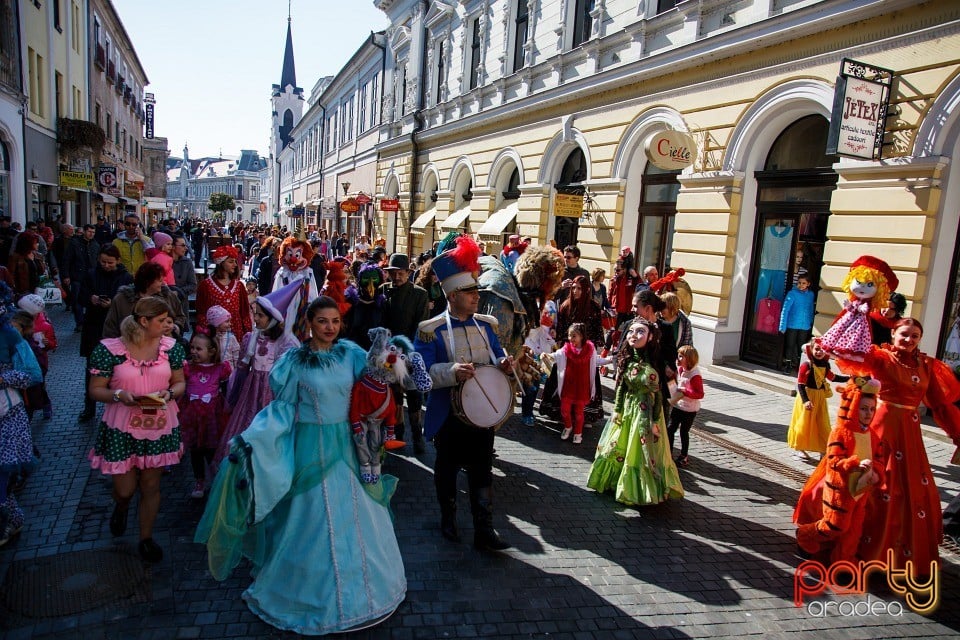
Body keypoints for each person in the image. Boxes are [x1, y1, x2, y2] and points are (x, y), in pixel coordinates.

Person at [195, 296, 406, 633]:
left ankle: (367, 591)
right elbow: (283, 409)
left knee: (360, 514)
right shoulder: (294, 361)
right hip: (311, 448)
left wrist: (391, 366)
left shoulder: (351, 354)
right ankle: (306, 594)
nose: (330, 328)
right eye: (323, 321)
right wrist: (254, 438)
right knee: (308, 518)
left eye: (335, 321)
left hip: (349, 446)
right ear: (309, 322)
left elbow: (372, 389)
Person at [413, 235, 515, 551]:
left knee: (482, 468)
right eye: (471, 293)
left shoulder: (487, 325)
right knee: (446, 467)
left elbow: (497, 353)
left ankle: (484, 530)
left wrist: (504, 363)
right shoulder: (430, 330)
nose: (477, 298)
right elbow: (421, 375)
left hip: (481, 415)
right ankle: (448, 518)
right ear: (453, 295)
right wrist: (452, 372)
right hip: (448, 415)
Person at [834, 318, 960, 570]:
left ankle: (902, 554)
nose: (909, 339)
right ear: (893, 334)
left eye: (915, 336)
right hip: (881, 427)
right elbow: (849, 352)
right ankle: (859, 547)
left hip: (910, 432)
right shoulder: (881, 358)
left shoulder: (926, 365)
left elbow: (940, 405)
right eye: (904, 334)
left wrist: (957, 433)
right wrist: (856, 312)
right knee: (874, 481)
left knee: (909, 488)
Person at [87, 297, 187, 562]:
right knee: (125, 489)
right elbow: (95, 389)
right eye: (162, 320)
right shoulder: (110, 350)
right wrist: (119, 394)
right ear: (144, 321)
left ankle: (146, 537)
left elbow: (179, 383)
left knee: (151, 485)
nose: (169, 324)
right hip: (121, 427)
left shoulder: (172, 348)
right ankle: (121, 506)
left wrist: (169, 393)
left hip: (159, 424)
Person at [587, 319, 684, 506]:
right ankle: (618, 482)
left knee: (641, 450)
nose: (634, 335)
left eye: (640, 332)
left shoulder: (654, 361)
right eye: (631, 331)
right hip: (628, 410)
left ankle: (642, 489)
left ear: (649, 337)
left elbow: (657, 395)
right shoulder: (627, 358)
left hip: (646, 414)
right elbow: (622, 388)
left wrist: (655, 420)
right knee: (620, 445)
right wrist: (616, 410)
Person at [793, 377, 884, 564]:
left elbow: (881, 460)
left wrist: (876, 473)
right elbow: (833, 460)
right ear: (854, 407)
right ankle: (805, 535)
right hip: (840, 490)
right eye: (863, 408)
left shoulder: (873, 436)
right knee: (836, 525)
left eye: (872, 409)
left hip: (861, 491)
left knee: (854, 530)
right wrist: (853, 464)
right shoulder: (841, 432)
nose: (868, 414)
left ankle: (843, 560)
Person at [214, 282, 302, 465]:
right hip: (251, 392)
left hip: (274, 394)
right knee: (245, 426)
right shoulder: (250, 339)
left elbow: (292, 377)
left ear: (272, 318)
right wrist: (233, 396)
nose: (255, 318)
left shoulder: (287, 343)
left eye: (260, 315)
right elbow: (241, 371)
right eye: (255, 313)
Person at [0, 285, 42, 547]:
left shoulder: (10, 337)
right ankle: (13, 520)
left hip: (7, 417)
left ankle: (7, 522)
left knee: (2, 475)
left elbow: (31, 374)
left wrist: (2, 377)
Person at [380, 252, 430, 452]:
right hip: (389, 353)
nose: (397, 277)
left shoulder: (419, 294)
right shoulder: (383, 291)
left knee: (414, 396)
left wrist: (409, 352)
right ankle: (398, 434)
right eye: (393, 273)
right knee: (394, 396)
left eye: (401, 273)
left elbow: (421, 325)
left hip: (410, 351)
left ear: (408, 272)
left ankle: (418, 436)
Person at [78, 245, 133, 421]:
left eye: (110, 262)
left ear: (117, 261)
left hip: (117, 330)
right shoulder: (91, 275)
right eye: (103, 262)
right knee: (92, 369)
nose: (106, 265)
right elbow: (80, 297)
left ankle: (116, 403)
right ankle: (89, 406)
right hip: (94, 326)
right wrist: (90, 298)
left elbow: (131, 304)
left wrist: (113, 305)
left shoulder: (126, 278)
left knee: (118, 370)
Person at [540, 274, 605, 425]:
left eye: (579, 288)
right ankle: (560, 413)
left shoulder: (594, 307)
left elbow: (597, 330)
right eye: (574, 288)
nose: (575, 291)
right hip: (568, 351)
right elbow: (561, 328)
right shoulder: (565, 306)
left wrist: (590, 348)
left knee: (586, 382)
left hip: (586, 353)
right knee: (563, 381)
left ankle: (585, 415)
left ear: (586, 290)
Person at [179, 332, 231, 499]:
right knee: (195, 450)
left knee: (212, 449)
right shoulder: (188, 368)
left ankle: (215, 477)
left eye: (199, 349)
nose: (194, 351)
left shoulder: (219, 369)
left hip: (211, 417)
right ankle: (199, 480)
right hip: (193, 416)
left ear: (211, 351)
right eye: (192, 347)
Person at [548, 322, 611, 444]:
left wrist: (609, 360)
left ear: (582, 336)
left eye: (574, 336)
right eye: (570, 336)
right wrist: (546, 355)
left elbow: (596, 361)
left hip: (582, 387)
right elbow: (555, 356)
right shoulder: (566, 349)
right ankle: (568, 427)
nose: (571, 339)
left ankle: (578, 433)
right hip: (568, 386)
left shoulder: (590, 349)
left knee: (579, 413)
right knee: (564, 410)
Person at [787, 340, 848, 459]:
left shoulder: (826, 364)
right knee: (804, 424)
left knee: (822, 423)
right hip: (808, 396)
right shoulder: (806, 365)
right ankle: (800, 448)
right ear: (811, 350)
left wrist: (848, 378)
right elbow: (800, 384)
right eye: (817, 349)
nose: (819, 352)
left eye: (822, 349)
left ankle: (823, 449)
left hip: (820, 398)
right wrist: (805, 401)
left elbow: (833, 377)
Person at [103, 263, 187, 341]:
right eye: (159, 281)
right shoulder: (122, 299)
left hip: (162, 348)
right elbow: (110, 328)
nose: (163, 284)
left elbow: (180, 316)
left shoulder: (168, 296)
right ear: (148, 282)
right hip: (128, 348)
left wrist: (175, 327)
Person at [196, 245, 252, 341]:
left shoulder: (239, 286)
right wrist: (207, 332)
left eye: (235, 261)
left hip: (236, 332)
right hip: (215, 334)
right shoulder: (206, 285)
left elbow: (244, 312)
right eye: (230, 262)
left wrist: (247, 332)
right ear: (221, 263)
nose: (235, 264)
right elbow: (201, 312)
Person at [667, 345, 704, 466]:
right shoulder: (681, 369)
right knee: (670, 429)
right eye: (678, 355)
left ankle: (684, 456)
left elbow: (699, 394)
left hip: (689, 409)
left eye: (681, 356)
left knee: (684, 432)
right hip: (678, 405)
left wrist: (684, 392)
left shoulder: (695, 375)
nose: (678, 358)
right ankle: (669, 452)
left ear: (689, 359)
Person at [63, 224, 100, 331]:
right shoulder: (74, 243)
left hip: (91, 276)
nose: (91, 234)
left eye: (93, 232)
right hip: (77, 276)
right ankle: (79, 322)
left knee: (91, 300)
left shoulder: (95, 245)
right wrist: (66, 275)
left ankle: (88, 321)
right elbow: (67, 259)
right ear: (84, 231)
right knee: (76, 300)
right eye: (89, 232)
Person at [521, 312, 555, 427]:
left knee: (535, 387)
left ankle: (529, 411)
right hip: (528, 357)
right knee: (529, 386)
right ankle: (526, 413)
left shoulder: (543, 325)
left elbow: (547, 338)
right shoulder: (528, 323)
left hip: (539, 359)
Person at [779, 275, 815, 373]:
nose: (801, 285)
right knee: (790, 345)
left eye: (803, 283)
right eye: (799, 283)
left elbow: (811, 309)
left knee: (801, 346)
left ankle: (800, 365)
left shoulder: (811, 295)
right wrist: (782, 325)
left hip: (804, 325)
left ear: (808, 284)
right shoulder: (792, 293)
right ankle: (788, 365)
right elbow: (785, 309)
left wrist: (811, 322)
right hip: (792, 324)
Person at [7, 231, 45, 298]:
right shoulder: (15, 257)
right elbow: (10, 276)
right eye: (35, 242)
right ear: (28, 243)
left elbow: (43, 272)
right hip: (23, 292)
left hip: (39, 290)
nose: (38, 244)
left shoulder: (38, 255)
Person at [204, 305, 240, 370]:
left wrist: (236, 370)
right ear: (217, 323)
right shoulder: (208, 338)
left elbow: (236, 355)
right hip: (213, 372)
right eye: (227, 321)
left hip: (229, 372)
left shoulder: (231, 338)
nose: (230, 324)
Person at [171, 235, 197, 310]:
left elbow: (193, 285)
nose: (186, 248)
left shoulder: (187, 262)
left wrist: (178, 292)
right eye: (182, 245)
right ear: (173, 246)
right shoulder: (163, 261)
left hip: (181, 304)